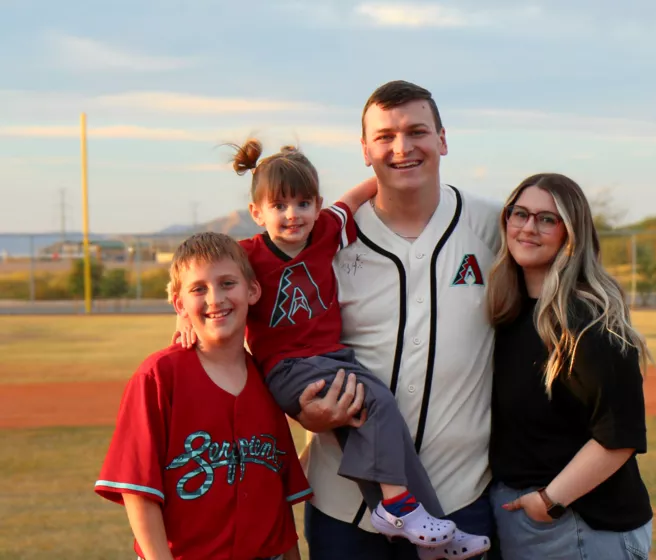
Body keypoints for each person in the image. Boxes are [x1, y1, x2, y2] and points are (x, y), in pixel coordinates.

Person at [200, 140, 469, 550]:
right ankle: (398, 508)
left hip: (331, 359)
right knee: (376, 404)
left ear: (317, 204)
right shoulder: (246, 256)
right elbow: (202, 278)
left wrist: (386, 172)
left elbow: (355, 197)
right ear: (257, 213)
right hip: (289, 368)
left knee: (382, 429)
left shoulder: (326, 229)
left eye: (303, 203)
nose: (294, 215)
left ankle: (431, 539)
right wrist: (185, 319)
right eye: (279, 206)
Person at [297, 80, 502, 560]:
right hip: (346, 507)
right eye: (385, 136)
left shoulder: (496, 225)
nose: (402, 147)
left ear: (443, 139)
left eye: (417, 132)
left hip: (460, 499)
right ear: (365, 149)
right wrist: (304, 412)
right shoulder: (326, 241)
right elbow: (270, 344)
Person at [95, 232, 311, 560]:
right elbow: (139, 492)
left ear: (252, 290)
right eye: (198, 289)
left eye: (227, 283)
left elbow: (276, 495)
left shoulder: (266, 379)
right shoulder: (158, 376)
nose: (215, 299)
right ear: (180, 304)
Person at [486, 173, 653, 559]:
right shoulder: (509, 311)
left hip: (579, 524)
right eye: (520, 214)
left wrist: (549, 501)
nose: (529, 227)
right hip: (526, 520)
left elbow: (619, 435)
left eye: (547, 219)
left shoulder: (587, 320)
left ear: (571, 233)